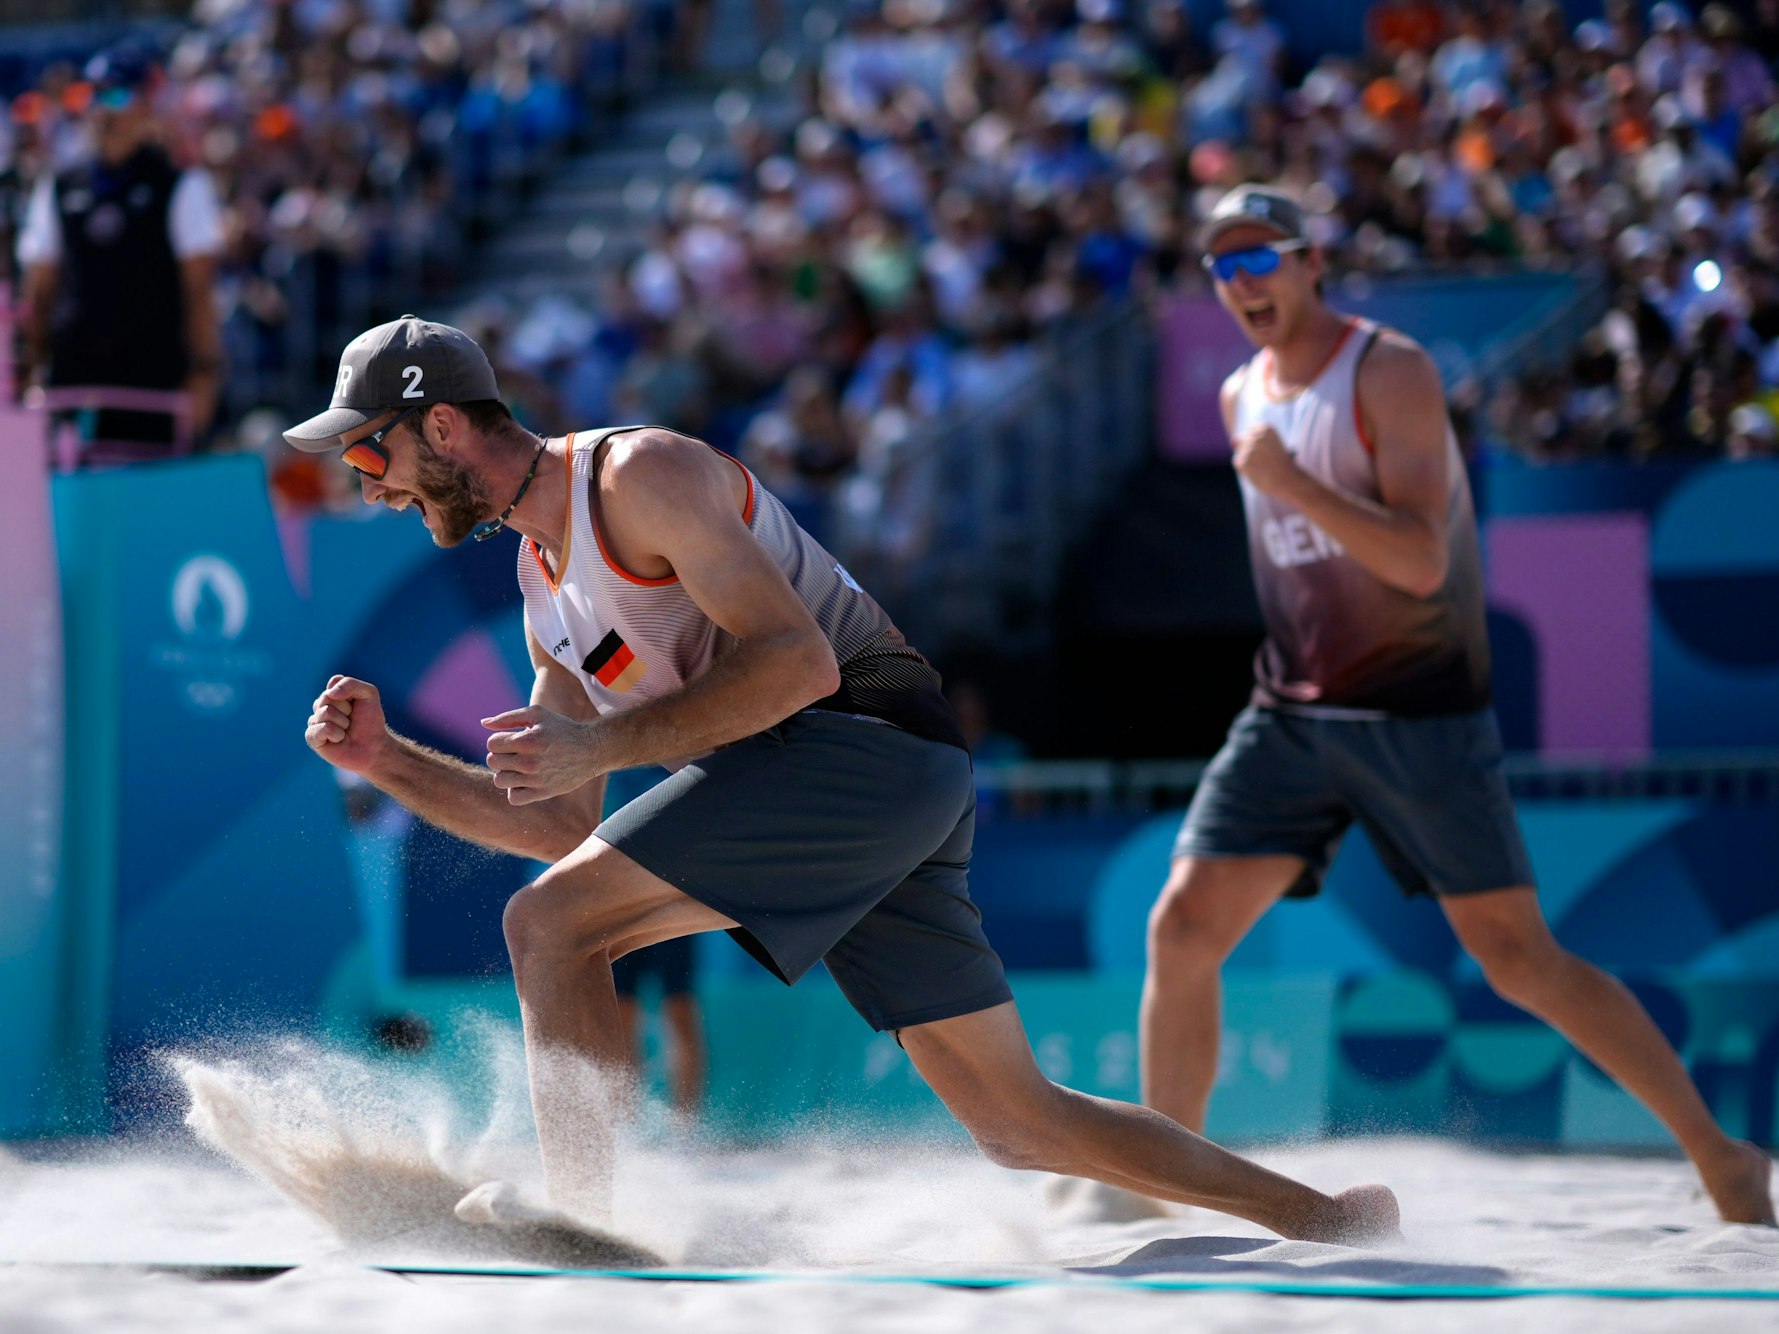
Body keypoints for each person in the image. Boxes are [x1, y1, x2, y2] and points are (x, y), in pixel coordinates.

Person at [290, 314, 1398, 1243]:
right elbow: (557, 821)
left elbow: (800, 661)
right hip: (848, 785)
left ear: (443, 422)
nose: (365, 481)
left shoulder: (639, 474)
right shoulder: (544, 588)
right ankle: (1327, 1217)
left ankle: (586, 1222)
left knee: (549, 925)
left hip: (861, 741)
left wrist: (608, 746)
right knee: (1018, 1120)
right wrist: (387, 760)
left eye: (372, 452)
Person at [1142, 184, 1775, 1226]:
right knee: (1182, 927)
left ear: (1312, 265)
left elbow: (1421, 559)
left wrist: (1295, 484)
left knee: (1519, 958)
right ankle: (1162, 1182)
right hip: (1295, 708)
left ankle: (1721, 1151)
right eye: (1226, 267)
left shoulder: (1385, 370)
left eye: (1264, 260)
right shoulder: (1240, 392)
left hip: (1417, 709)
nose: (1243, 282)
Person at [17, 43, 223, 459]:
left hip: (152, 380)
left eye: (117, 95)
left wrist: (205, 375)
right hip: (74, 382)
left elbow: (199, 292)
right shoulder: (58, 186)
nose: (103, 110)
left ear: (147, 105)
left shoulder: (180, 186)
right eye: (91, 94)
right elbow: (40, 287)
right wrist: (32, 367)